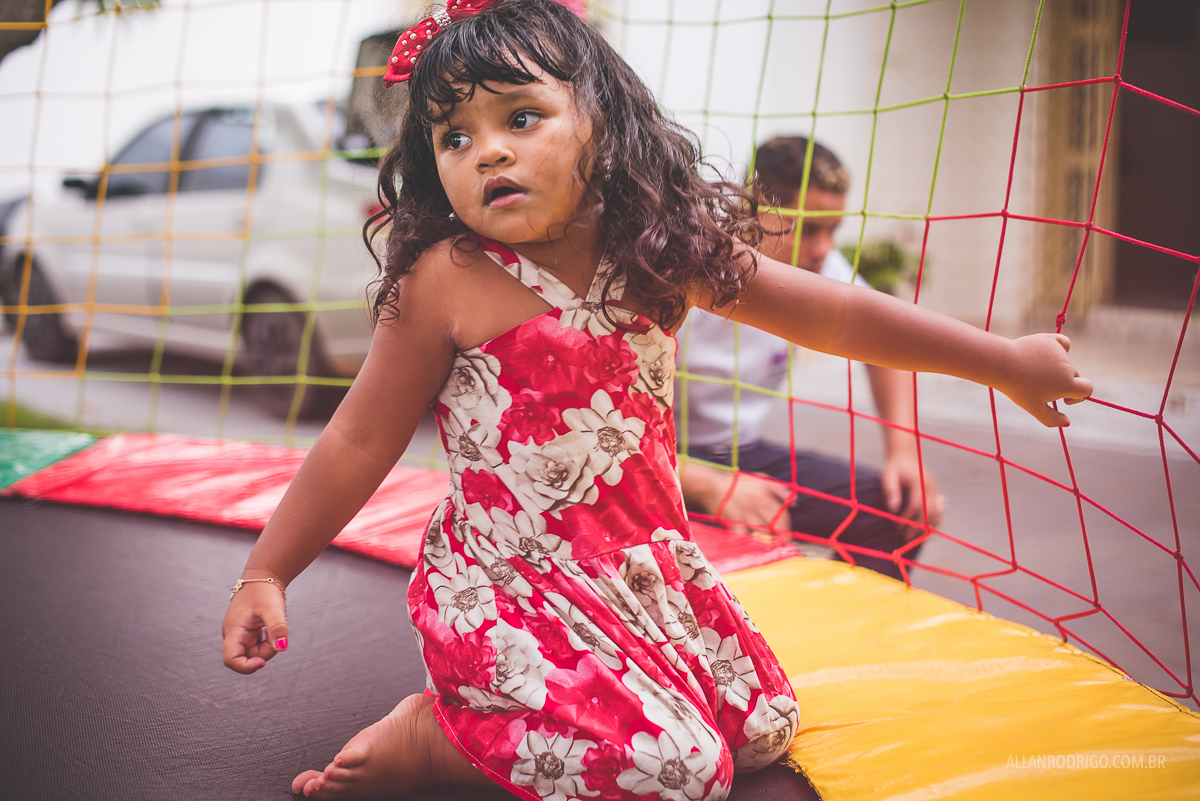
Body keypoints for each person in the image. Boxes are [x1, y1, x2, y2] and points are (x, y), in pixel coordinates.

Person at [219, 2, 1092, 798]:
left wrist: (1001, 360)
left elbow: (834, 314)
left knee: (764, 724)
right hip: (516, 583)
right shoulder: (446, 280)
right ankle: (444, 733)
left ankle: (526, 718)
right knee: (681, 770)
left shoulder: (655, 248)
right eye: (453, 136)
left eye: (520, 118)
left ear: (600, 118)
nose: (487, 151)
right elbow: (359, 438)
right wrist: (269, 569)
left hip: (640, 567)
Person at [676, 137, 940, 580]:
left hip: (742, 452)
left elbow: (887, 344)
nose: (823, 248)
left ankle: (847, 622)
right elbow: (614, 433)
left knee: (896, 510)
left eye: (833, 230)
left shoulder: (820, 266)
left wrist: (904, 451)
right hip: (658, 462)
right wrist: (711, 486)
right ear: (754, 211)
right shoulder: (688, 272)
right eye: (810, 228)